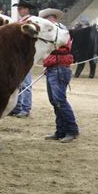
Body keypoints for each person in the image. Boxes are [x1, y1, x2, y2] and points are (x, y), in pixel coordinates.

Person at [39, 8, 80, 143]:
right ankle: (61, 130)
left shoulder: (57, 30)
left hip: (58, 67)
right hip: (56, 67)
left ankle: (72, 130)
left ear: (50, 19)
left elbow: (56, 47)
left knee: (59, 100)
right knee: (56, 101)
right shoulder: (61, 29)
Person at [10, 0, 36, 118]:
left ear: (26, 9)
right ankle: (19, 107)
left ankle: (25, 108)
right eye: (19, 8)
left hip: (25, 56)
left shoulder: (29, 21)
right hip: (20, 56)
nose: (19, 10)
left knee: (25, 83)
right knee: (20, 82)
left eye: (21, 8)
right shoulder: (23, 21)